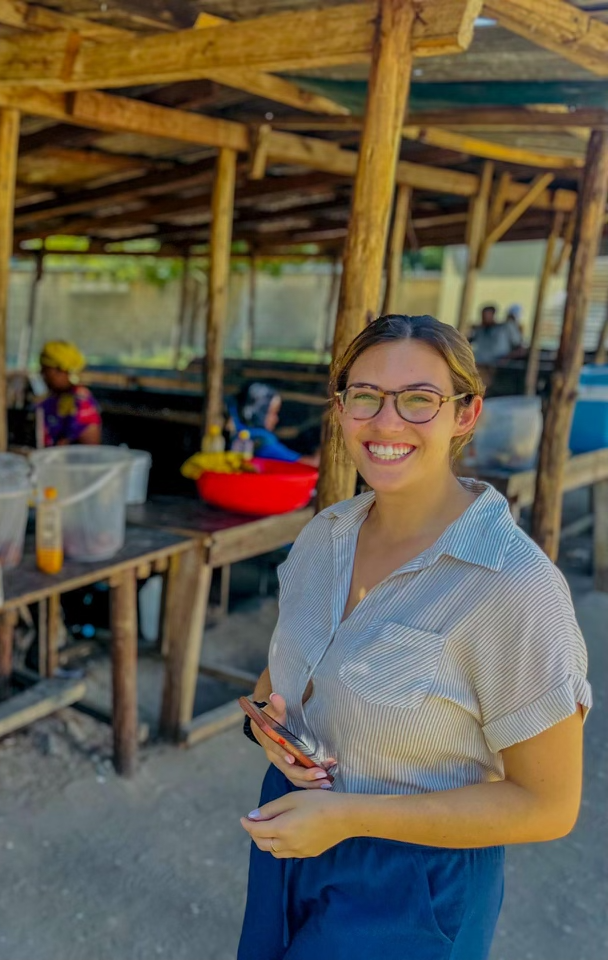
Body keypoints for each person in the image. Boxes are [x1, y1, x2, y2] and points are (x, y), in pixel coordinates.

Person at [238, 314, 589, 960]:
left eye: (419, 400)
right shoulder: (325, 537)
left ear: (466, 414)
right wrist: (267, 724)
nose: (387, 422)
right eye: (365, 396)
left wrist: (350, 818)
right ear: (340, 409)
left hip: (416, 882)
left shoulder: (511, 585)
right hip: (294, 832)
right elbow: (284, 678)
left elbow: (549, 804)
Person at [229, 382, 319, 466]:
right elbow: (307, 463)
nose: (276, 419)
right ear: (259, 411)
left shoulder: (235, 424)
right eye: (273, 412)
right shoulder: (262, 439)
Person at [36, 340, 102, 447]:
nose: (42, 374)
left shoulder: (82, 405)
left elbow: (90, 452)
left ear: (60, 370)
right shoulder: (51, 400)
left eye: (46, 370)